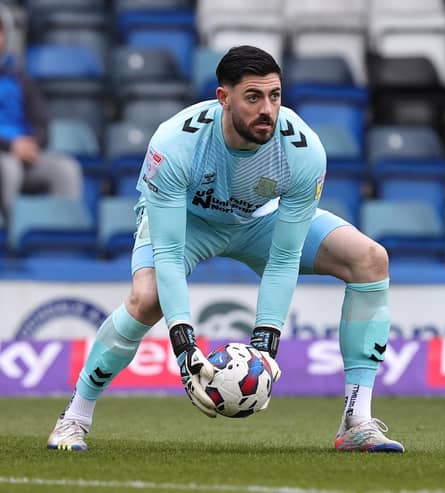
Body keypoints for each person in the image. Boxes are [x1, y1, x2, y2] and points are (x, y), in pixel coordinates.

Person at [47, 45, 404, 453]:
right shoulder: (176, 142)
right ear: (223, 98)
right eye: (253, 97)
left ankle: (356, 422)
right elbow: (167, 253)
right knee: (146, 298)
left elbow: (284, 256)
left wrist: (266, 345)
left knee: (370, 260)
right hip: (187, 222)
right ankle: (74, 418)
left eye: (274, 96)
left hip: (259, 222)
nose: (267, 109)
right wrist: (185, 350)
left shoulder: (303, 150)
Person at [0, 13, 82, 225]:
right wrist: (11, 146)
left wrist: (33, 143)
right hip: (6, 155)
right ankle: (11, 240)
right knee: (8, 168)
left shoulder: (20, 79)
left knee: (65, 169)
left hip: (24, 154)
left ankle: (62, 237)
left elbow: (41, 121)